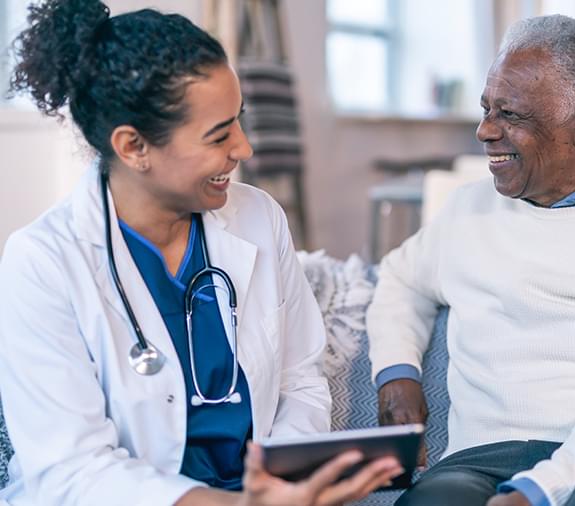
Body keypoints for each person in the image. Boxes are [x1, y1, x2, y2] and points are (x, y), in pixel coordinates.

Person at [0, 1, 403, 505]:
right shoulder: (42, 261)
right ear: (133, 147)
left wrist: (284, 484)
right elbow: (73, 472)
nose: (244, 149)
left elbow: (300, 380)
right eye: (219, 135)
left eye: (239, 121)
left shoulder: (259, 218)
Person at [367, 14, 575, 506]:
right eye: (487, 108)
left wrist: (536, 491)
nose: (485, 130)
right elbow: (400, 279)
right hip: (479, 460)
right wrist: (396, 374)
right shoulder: (468, 208)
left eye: (511, 115)